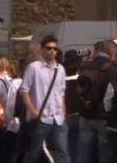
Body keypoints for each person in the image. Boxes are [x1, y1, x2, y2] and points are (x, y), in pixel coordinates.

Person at [20, 35, 70, 163]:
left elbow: (61, 91)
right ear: (42, 49)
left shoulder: (61, 69)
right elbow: (24, 90)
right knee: (34, 152)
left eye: (55, 49)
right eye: (49, 48)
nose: (52, 51)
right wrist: (33, 110)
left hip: (58, 117)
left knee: (62, 152)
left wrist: (63, 109)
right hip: (41, 117)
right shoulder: (34, 68)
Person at [76, 40, 117, 163]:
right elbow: (111, 95)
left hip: (85, 115)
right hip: (103, 117)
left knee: (83, 153)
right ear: (110, 51)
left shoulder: (84, 66)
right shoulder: (111, 68)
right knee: (104, 155)